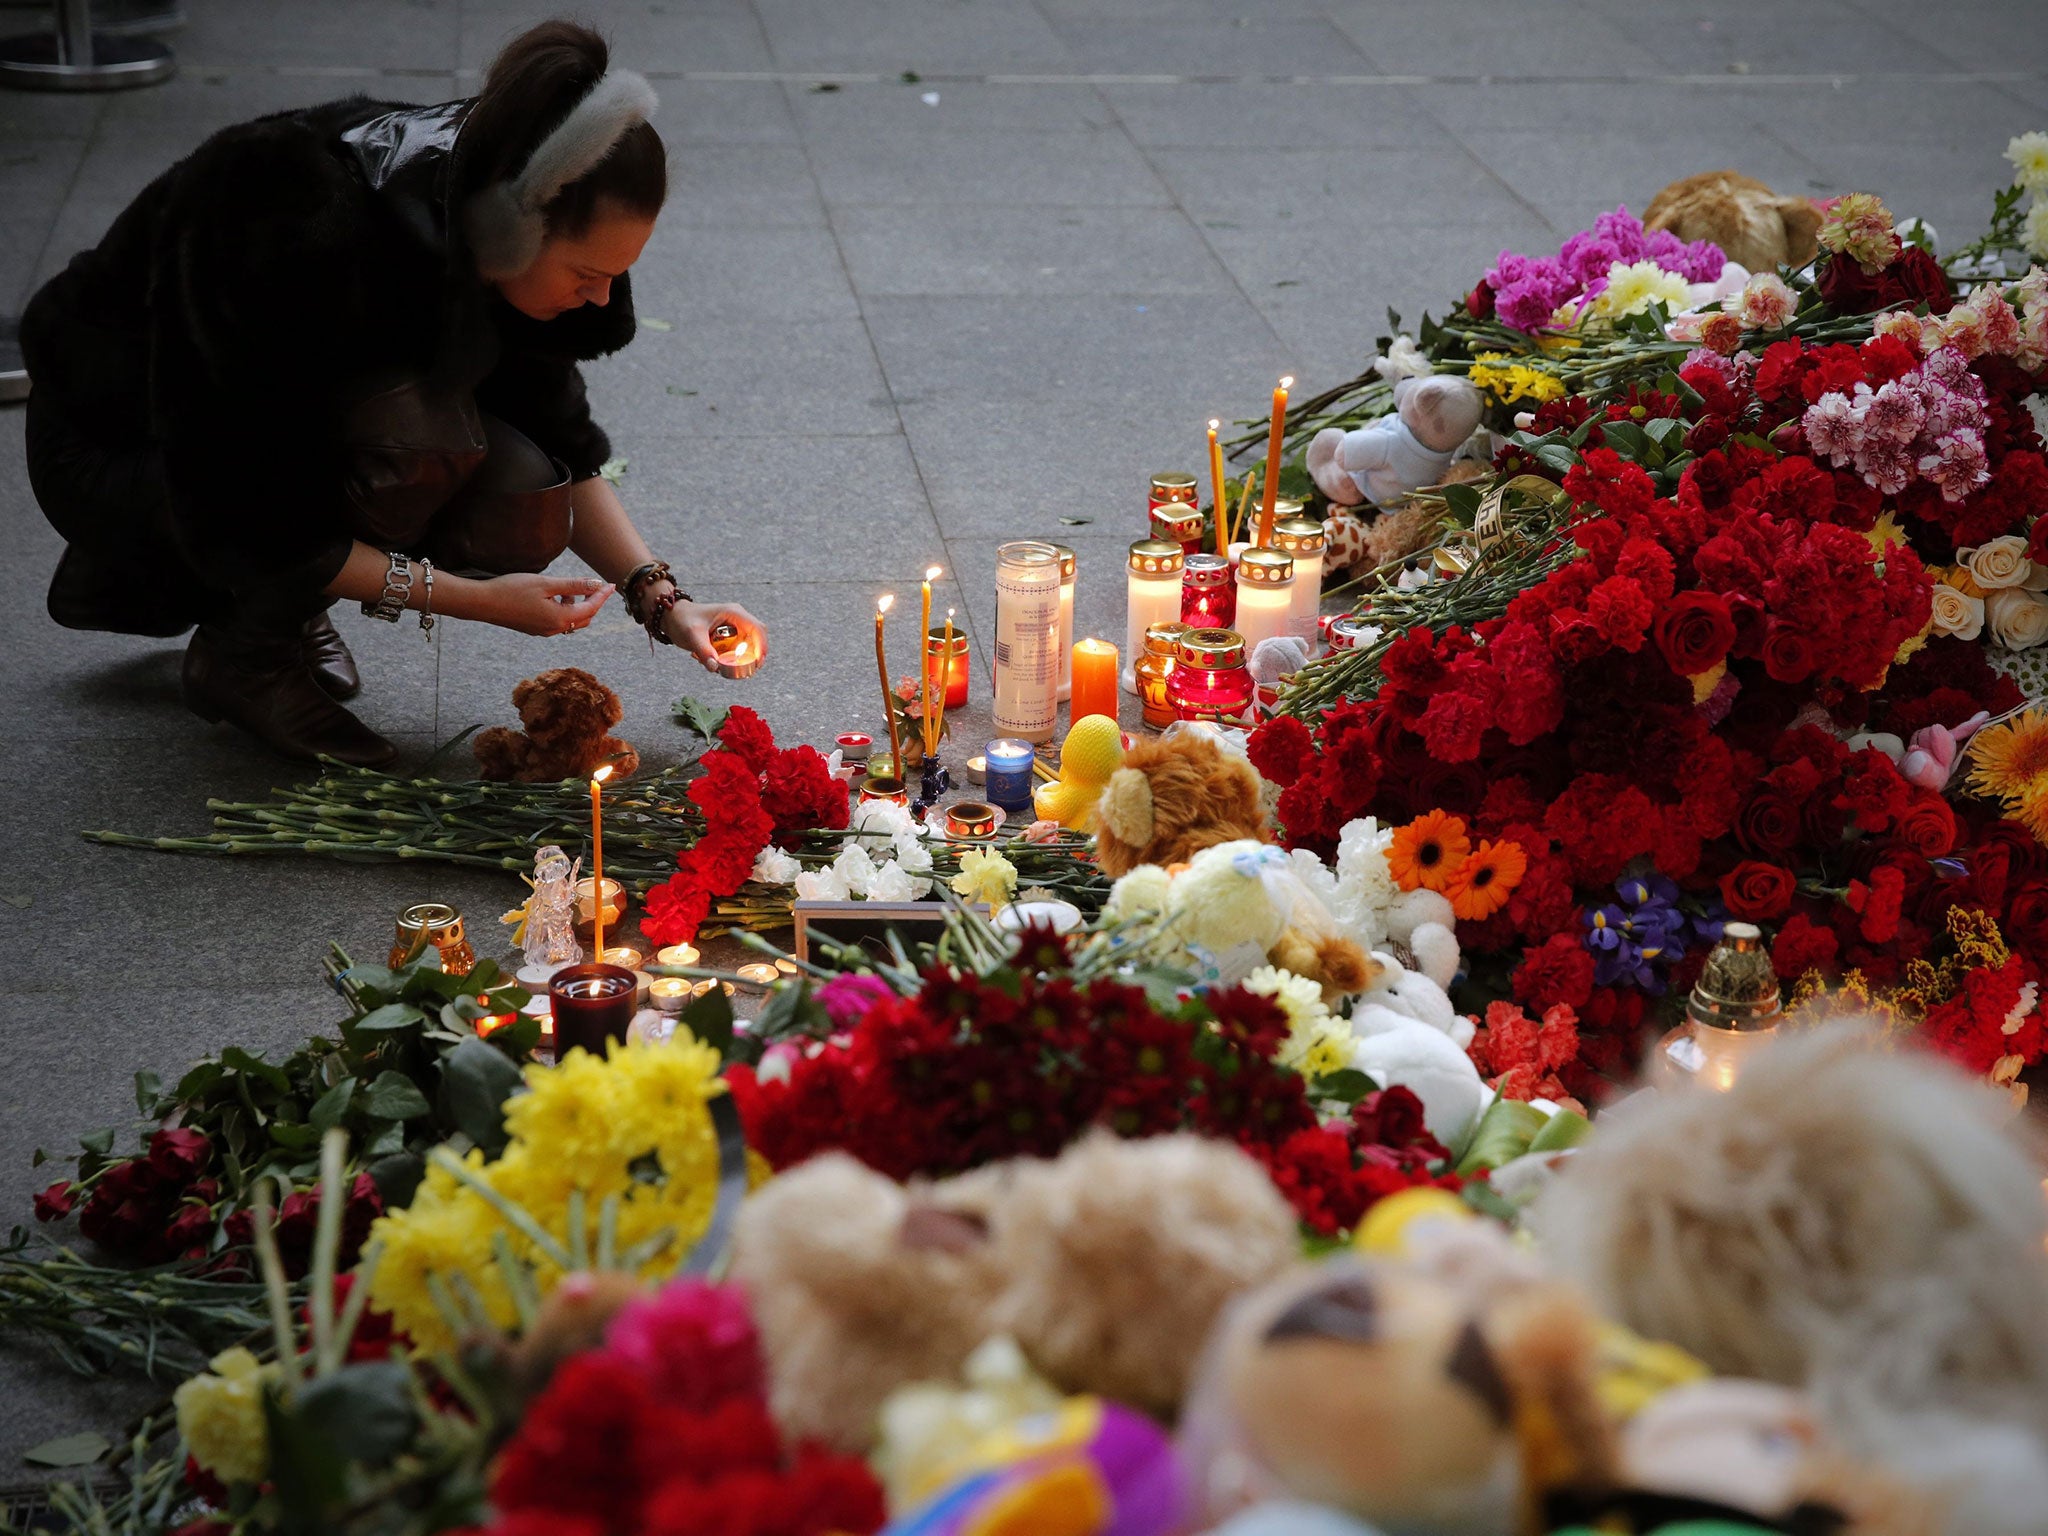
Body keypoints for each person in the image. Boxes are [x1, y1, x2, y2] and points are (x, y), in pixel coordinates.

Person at [19, 19, 765, 767]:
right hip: (115, 446)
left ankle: (273, 602)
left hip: (270, 451)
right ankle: (245, 652)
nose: (604, 300)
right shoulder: (286, 221)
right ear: (514, 227)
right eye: (586, 275)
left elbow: (561, 433)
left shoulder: (491, 188)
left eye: (617, 275)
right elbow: (236, 501)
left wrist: (663, 602)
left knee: (527, 489)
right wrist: (471, 601)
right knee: (420, 442)